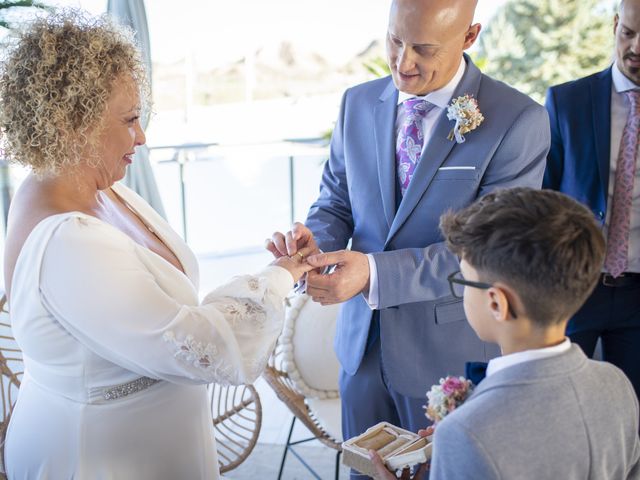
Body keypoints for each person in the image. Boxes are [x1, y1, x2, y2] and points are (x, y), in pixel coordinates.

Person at [0, 11, 312, 479]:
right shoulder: (67, 241)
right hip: (100, 457)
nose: (142, 137)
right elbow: (205, 346)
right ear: (70, 124)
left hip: (155, 440)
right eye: (129, 120)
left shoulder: (103, 188)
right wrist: (279, 276)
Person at [268, 0, 550, 469]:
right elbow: (335, 199)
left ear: (469, 36)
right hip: (361, 354)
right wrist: (311, 242)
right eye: (395, 40)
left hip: (449, 360)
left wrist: (373, 271)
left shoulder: (518, 120)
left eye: (423, 48)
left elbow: (490, 250)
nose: (403, 62)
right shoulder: (356, 102)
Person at [374, 188, 640, 480]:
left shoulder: (466, 431)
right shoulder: (616, 385)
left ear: (496, 303)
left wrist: (462, 441)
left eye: (463, 280)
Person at [543, 0, 640, 401]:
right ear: (615, 23)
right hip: (576, 287)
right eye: (629, 33)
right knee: (563, 403)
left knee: (632, 414)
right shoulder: (568, 102)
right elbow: (544, 201)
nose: (637, 49)